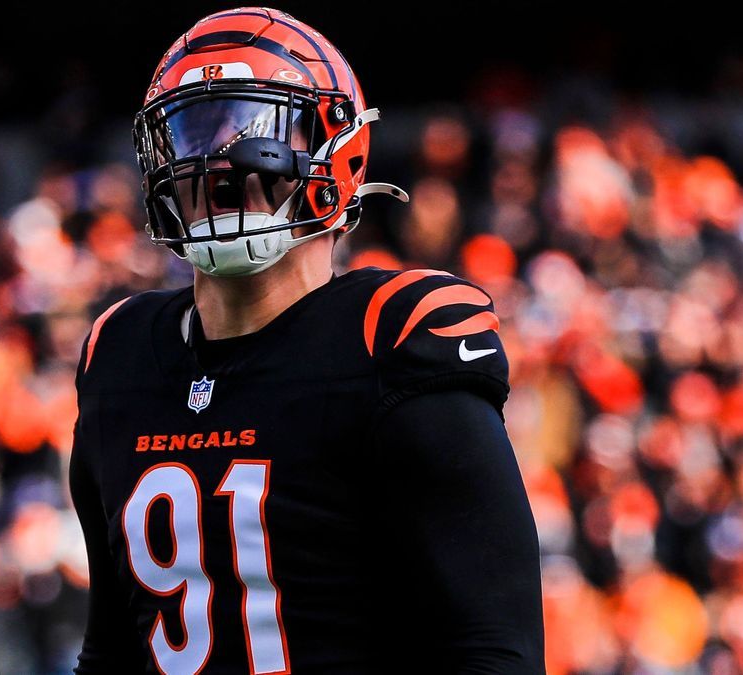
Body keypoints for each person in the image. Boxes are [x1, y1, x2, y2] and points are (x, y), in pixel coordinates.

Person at [68, 7, 544, 673]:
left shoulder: (395, 336)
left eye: (249, 132)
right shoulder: (116, 354)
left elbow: (494, 649)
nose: (217, 163)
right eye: (191, 134)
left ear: (337, 152)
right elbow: (113, 645)